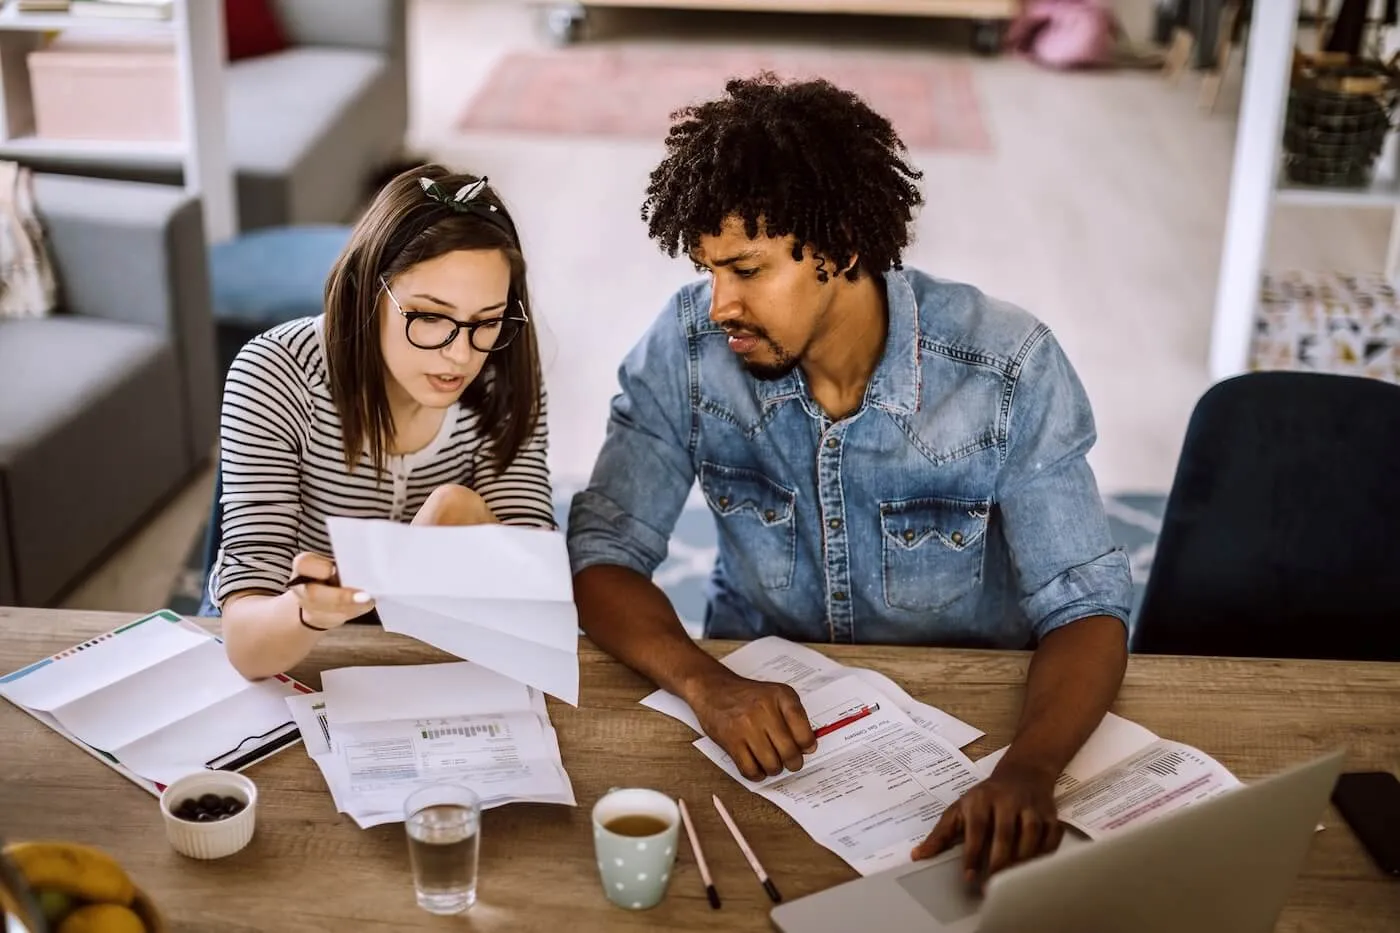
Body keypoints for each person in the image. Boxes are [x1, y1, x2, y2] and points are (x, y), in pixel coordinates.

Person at [566, 75, 1133, 887]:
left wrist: (1029, 770)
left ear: (840, 247)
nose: (718, 303)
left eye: (749, 269)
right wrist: (708, 683)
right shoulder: (686, 352)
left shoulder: (1006, 368)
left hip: (974, 736)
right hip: (756, 720)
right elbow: (603, 552)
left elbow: (1086, 608)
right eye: (708, 268)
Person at [211, 166, 553, 680]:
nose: (460, 356)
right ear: (367, 293)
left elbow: (538, 610)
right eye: (429, 316)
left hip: (432, 655)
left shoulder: (503, 377)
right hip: (303, 651)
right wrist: (308, 612)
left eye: (486, 321)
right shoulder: (277, 374)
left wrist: (468, 516)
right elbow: (244, 646)